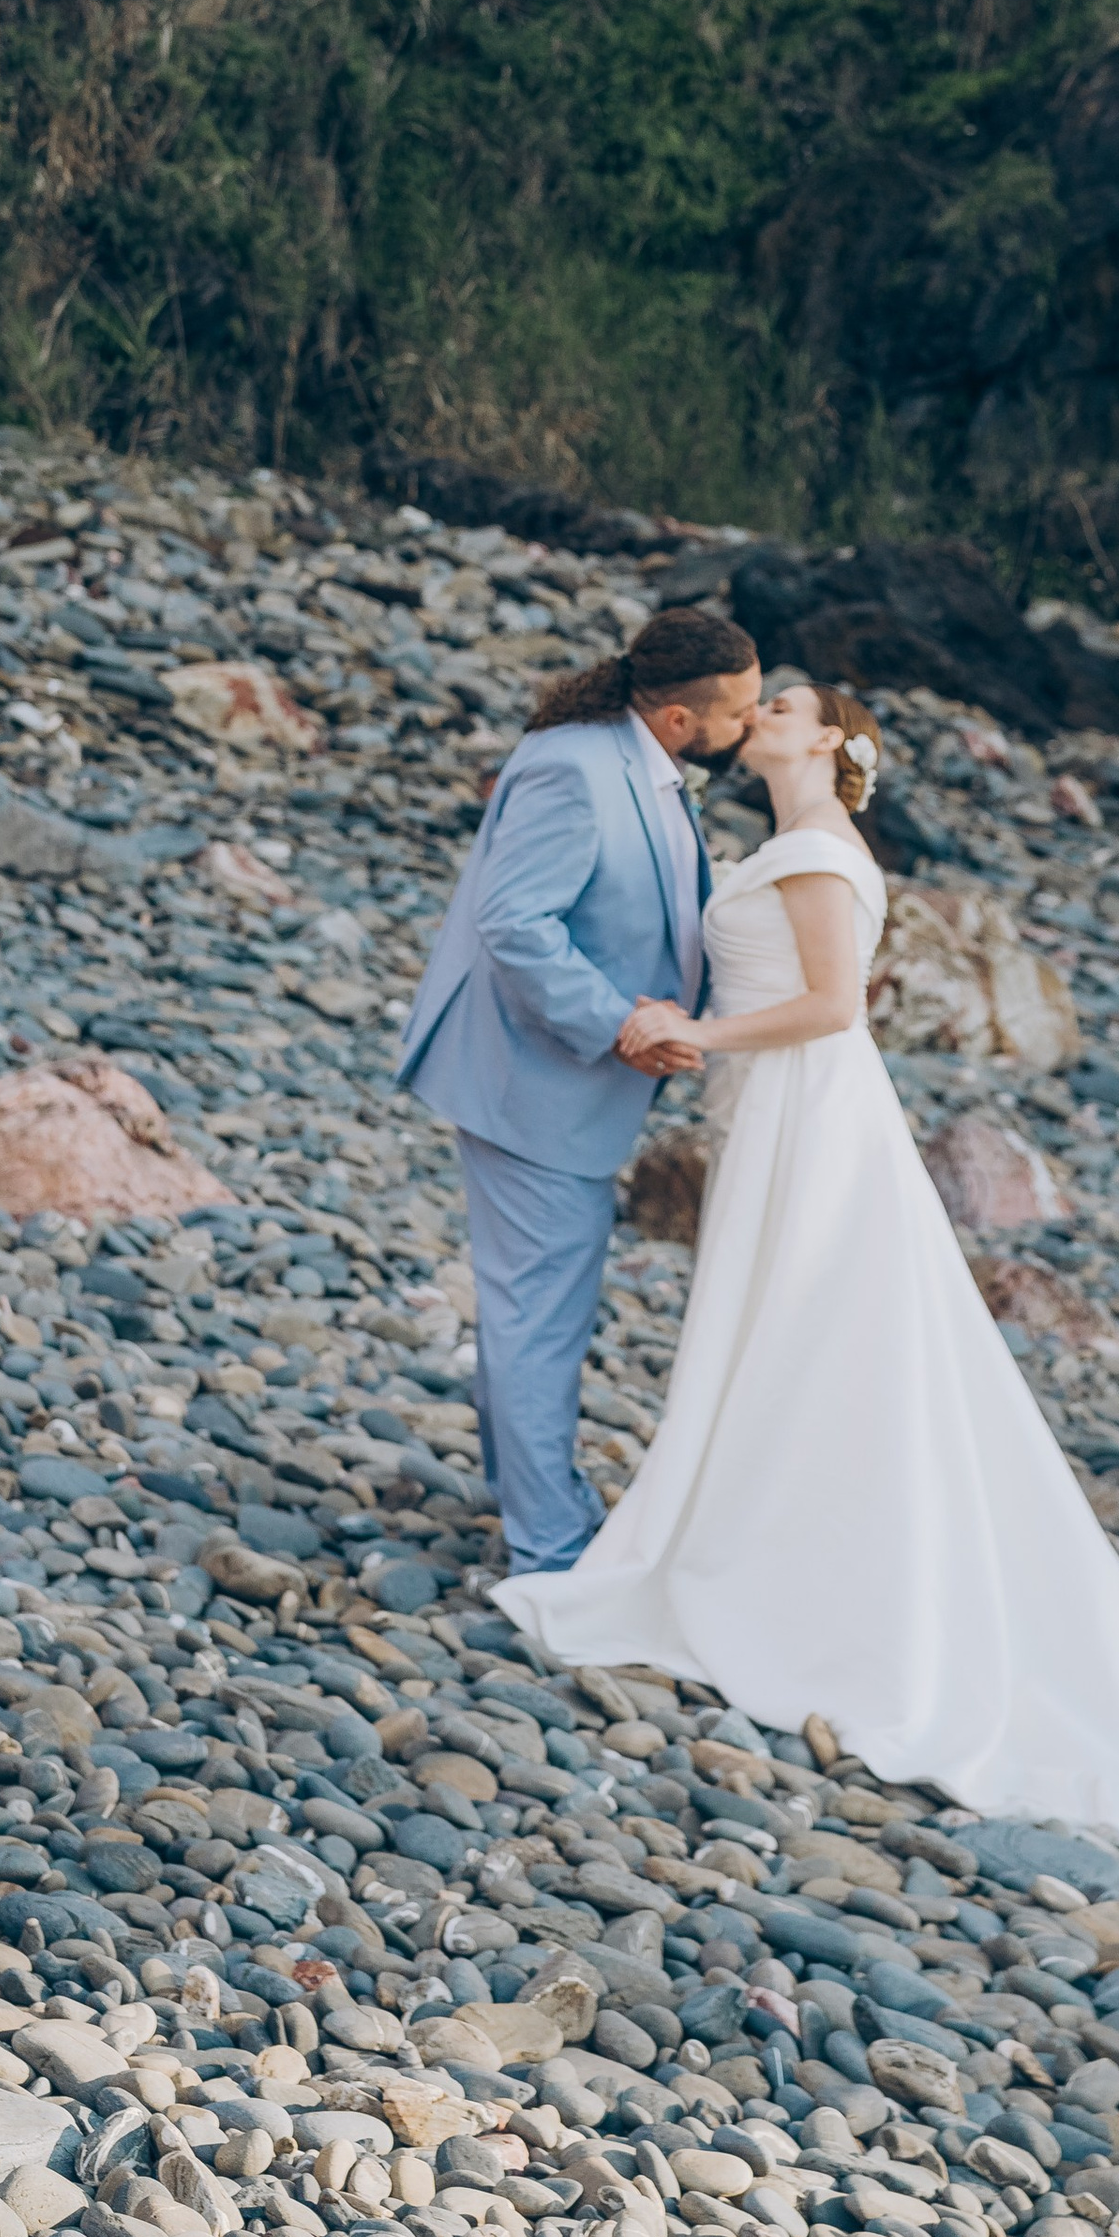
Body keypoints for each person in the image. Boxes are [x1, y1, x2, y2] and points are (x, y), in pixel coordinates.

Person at [496, 678, 1119, 1877]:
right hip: (769, 1110)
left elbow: (831, 1006)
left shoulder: (817, 848)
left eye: (787, 704)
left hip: (812, 1110)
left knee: (810, 1330)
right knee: (785, 1333)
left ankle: (783, 1569)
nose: (762, 711)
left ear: (832, 741)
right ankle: (758, 1540)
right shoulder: (784, 842)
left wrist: (696, 1034)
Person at [393, 607, 761, 1579]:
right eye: (743, 710)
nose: (753, 727)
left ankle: (525, 1496)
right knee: (540, 1313)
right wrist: (618, 1027)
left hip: (563, 1083)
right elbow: (515, 922)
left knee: (533, 1304)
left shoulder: (636, 762)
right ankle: (548, 1552)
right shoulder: (575, 766)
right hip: (534, 1077)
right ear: (681, 719)